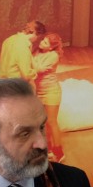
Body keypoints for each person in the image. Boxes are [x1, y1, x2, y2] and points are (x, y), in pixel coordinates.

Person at [32, 33, 64, 163]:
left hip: (51, 92)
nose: (41, 43)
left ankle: (59, 152)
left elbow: (37, 69)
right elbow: (35, 67)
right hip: (39, 91)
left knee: (51, 122)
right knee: (43, 122)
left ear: (51, 47)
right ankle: (49, 149)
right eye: (43, 40)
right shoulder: (38, 52)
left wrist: (32, 61)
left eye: (45, 43)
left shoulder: (53, 55)